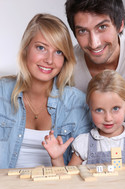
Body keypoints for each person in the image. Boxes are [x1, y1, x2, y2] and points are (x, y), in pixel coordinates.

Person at [65, 0, 125, 161]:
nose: (94, 43)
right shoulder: (68, 65)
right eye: (82, 31)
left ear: (120, 24)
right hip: (95, 131)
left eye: (102, 27)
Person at [0, 13, 92, 169]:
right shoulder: (2, 93)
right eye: (41, 48)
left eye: (58, 52)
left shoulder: (78, 104)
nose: (49, 60)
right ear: (25, 49)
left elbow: (79, 171)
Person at [43, 70, 125, 166]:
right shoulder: (84, 143)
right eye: (99, 110)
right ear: (90, 107)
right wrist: (57, 158)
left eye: (115, 108)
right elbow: (68, 181)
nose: (108, 118)